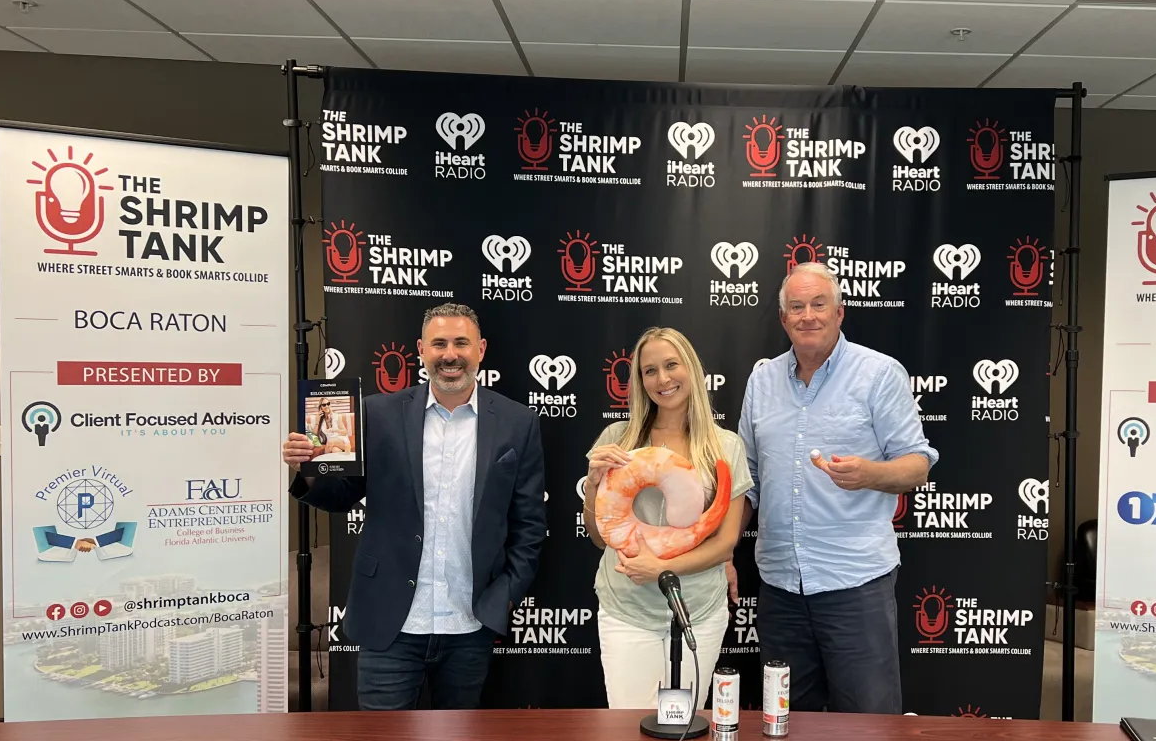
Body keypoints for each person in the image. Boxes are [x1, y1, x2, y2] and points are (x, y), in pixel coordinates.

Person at [283, 302, 546, 710]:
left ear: (481, 349)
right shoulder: (375, 413)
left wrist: (506, 596)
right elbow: (340, 496)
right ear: (421, 351)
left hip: (470, 624)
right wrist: (309, 468)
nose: (450, 354)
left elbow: (529, 523)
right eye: (438, 343)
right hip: (389, 621)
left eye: (461, 342)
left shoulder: (517, 422)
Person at [738, 262, 936, 715]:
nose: (808, 315)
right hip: (780, 589)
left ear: (840, 312)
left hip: (855, 586)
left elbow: (917, 464)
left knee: (867, 734)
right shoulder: (762, 381)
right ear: (783, 319)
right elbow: (746, 480)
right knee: (784, 728)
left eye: (818, 304)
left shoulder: (879, 374)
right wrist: (723, 553)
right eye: (796, 307)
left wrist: (869, 474)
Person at [583, 327, 751, 710]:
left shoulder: (725, 447)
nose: (662, 379)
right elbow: (597, 536)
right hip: (627, 610)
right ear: (640, 382)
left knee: (683, 733)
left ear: (691, 368)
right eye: (649, 371)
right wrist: (594, 484)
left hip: (698, 612)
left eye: (671, 365)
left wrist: (659, 567)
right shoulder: (618, 440)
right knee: (628, 732)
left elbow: (724, 543)